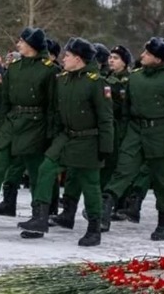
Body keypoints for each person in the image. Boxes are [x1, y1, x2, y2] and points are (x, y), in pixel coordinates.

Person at [17, 38, 113, 247]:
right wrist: (52, 136)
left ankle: (94, 228)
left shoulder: (96, 83)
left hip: (88, 139)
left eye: (67, 56)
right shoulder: (62, 80)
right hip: (65, 137)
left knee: (90, 184)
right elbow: (55, 111)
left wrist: (105, 147)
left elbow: (106, 118)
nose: (63, 59)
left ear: (78, 59)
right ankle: (40, 218)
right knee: (45, 169)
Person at [0, 27, 58, 231]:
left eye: (22, 41)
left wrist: (50, 134)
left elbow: (53, 107)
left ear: (32, 45)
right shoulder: (14, 68)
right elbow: (3, 101)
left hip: (36, 124)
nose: (18, 45)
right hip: (11, 122)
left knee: (36, 172)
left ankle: (39, 216)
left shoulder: (49, 70)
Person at [101, 37, 164, 241]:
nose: (142, 56)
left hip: (160, 134)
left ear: (158, 58)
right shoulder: (136, 77)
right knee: (123, 170)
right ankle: (104, 209)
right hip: (135, 131)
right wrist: (125, 134)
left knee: (162, 180)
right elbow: (126, 108)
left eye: (147, 53)